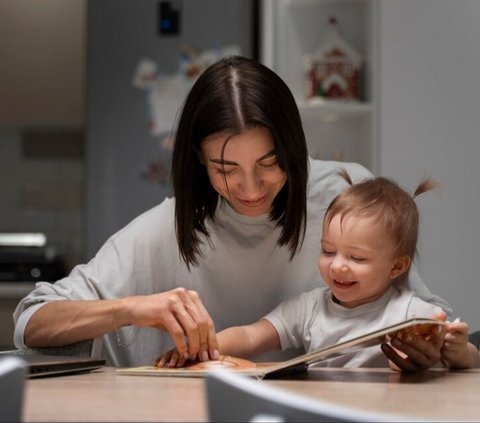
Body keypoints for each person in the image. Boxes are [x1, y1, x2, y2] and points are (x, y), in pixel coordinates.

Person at [13, 56, 453, 369]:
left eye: (268, 163)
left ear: (294, 149)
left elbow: (429, 316)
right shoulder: (165, 230)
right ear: (199, 162)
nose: (250, 188)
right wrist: (130, 308)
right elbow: (32, 320)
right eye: (226, 169)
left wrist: (431, 350)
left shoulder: (344, 195)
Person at [159, 173, 479, 370]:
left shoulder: (410, 312)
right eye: (328, 251)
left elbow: (467, 358)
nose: (337, 265)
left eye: (357, 257)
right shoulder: (311, 308)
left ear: (396, 267)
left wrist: (460, 350)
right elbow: (251, 335)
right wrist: (200, 348)